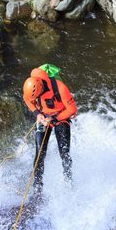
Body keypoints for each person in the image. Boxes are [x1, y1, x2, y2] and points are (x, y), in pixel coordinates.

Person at [23, 64, 77, 193]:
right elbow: (27, 98)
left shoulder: (60, 88)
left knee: (64, 153)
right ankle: (37, 186)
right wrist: (38, 114)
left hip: (61, 118)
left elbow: (72, 109)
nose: (35, 99)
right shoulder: (31, 84)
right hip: (43, 118)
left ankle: (68, 181)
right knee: (39, 152)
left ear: (41, 88)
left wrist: (54, 119)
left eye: (37, 97)